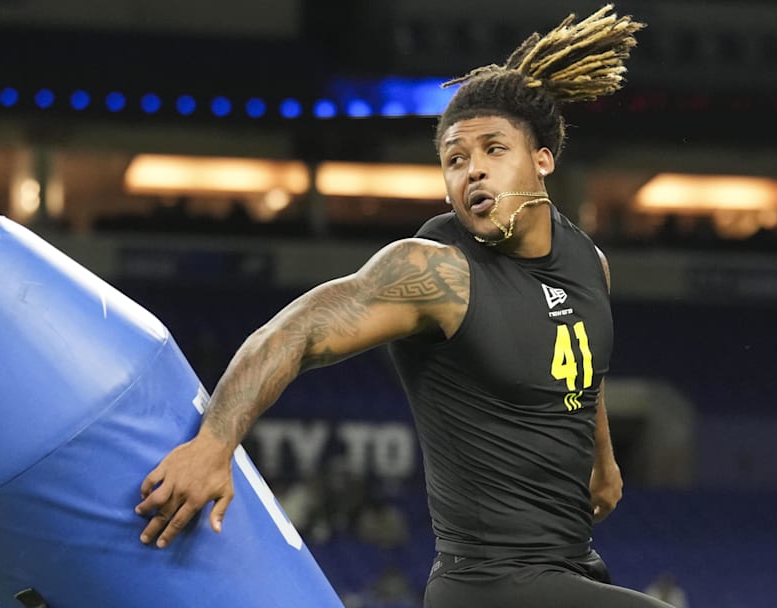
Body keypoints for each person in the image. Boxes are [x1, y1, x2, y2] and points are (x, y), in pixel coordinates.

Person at [136, 5, 673, 606]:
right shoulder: (435, 272)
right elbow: (299, 331)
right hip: (489, 586)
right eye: (455, 159)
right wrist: (213, 445)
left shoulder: (587, 263)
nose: (473, 171)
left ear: (542, 159)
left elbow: (581, 362)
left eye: (494, 150)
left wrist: (604, 461)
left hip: (573, 568)